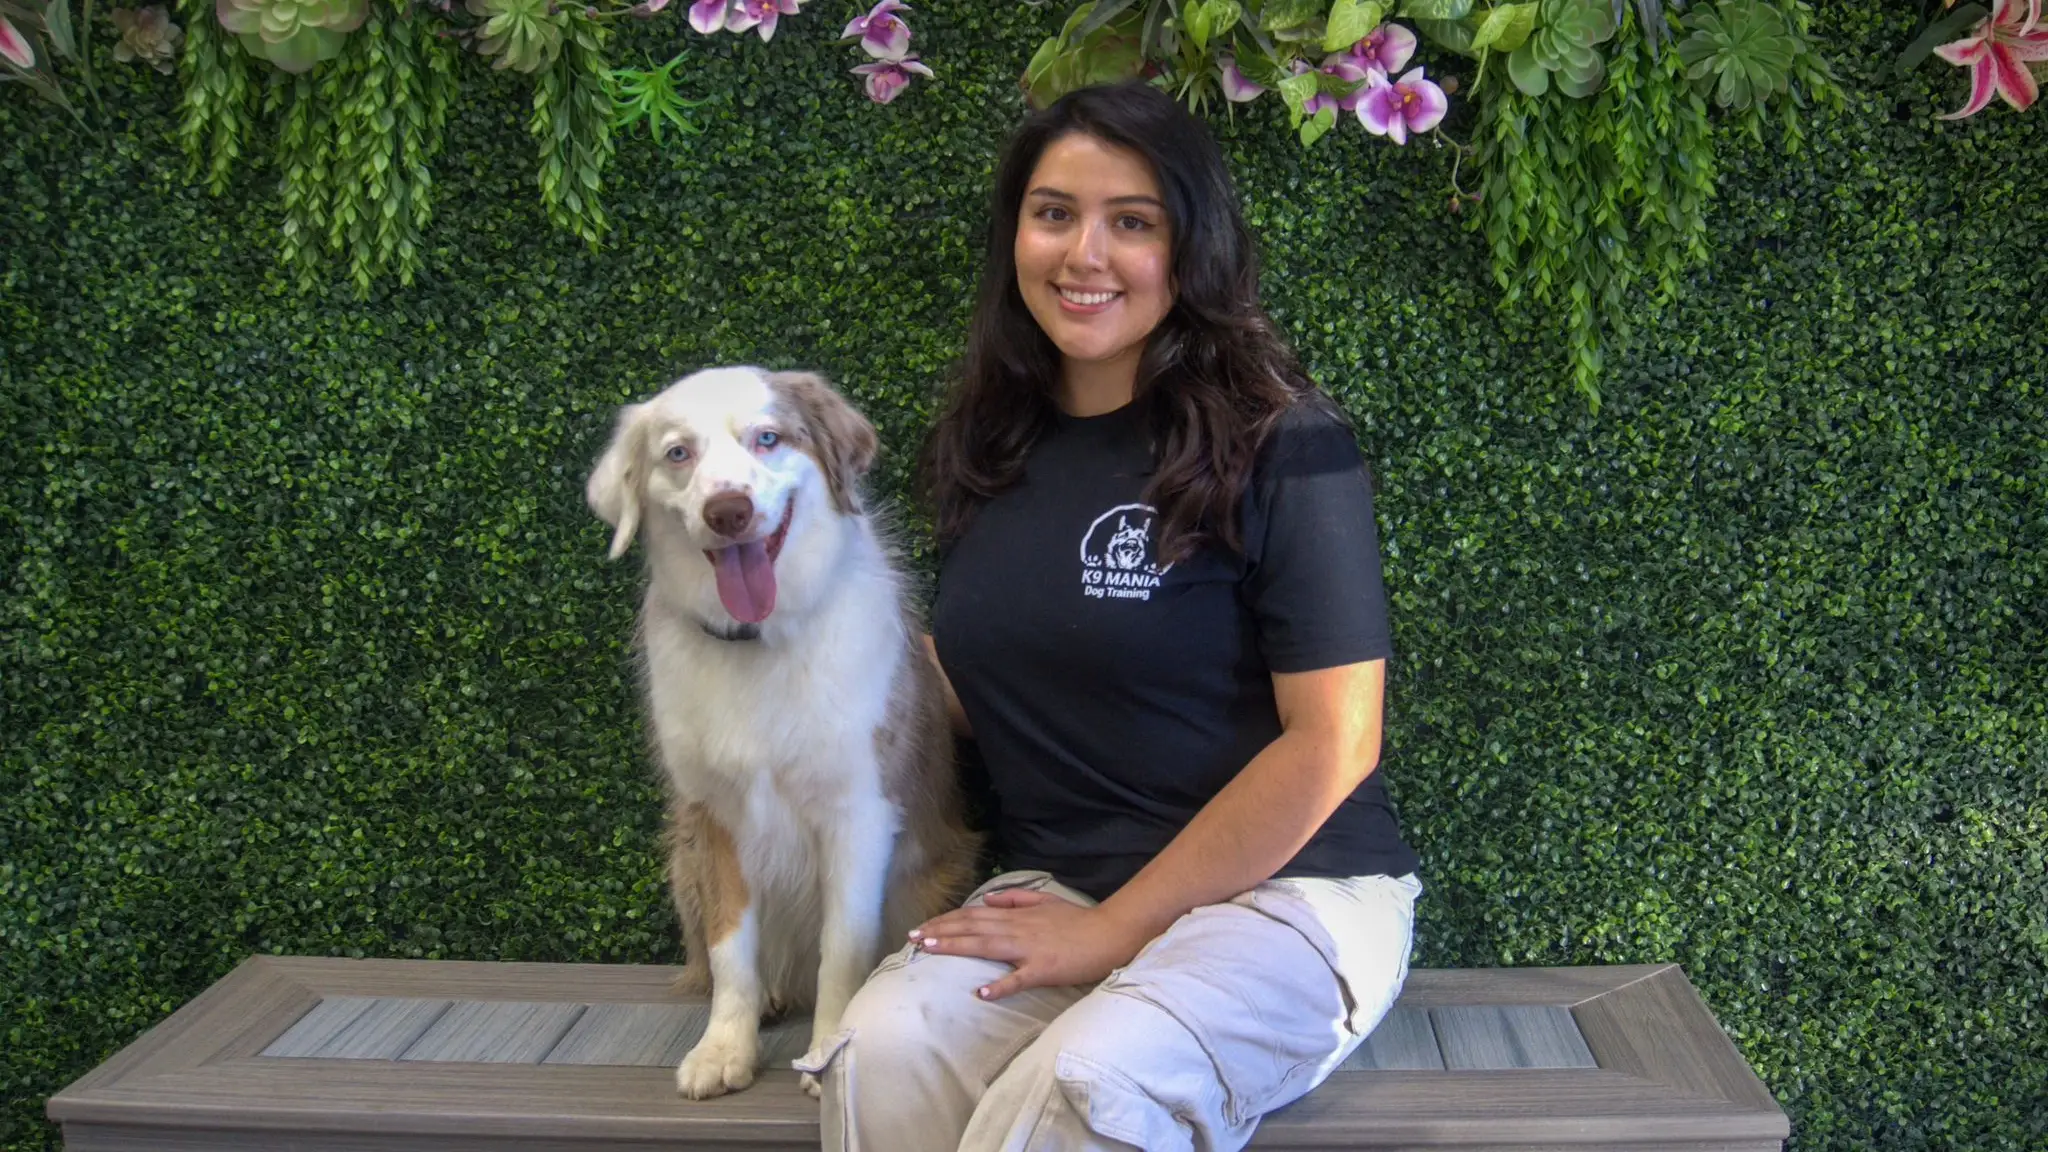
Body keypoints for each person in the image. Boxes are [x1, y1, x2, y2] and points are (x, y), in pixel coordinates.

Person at [793, 79, 1423, 1152]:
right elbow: (973, 685)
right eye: (1053, 214)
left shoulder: (1284, 440)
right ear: (1015, 239)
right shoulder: (991, 446)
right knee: (880, 1053)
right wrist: (799, 638)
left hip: (1294, 900)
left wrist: (1116, 932)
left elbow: (1335, 744)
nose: (1083, 253)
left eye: (1130, 222)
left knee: (1091, 1087)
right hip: (1066, 886)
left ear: (1190, 250)